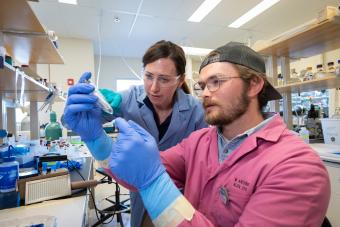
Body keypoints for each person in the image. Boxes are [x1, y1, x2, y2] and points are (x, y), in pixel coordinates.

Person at [64, 42, 330, 226]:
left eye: (217, 82)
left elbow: (149, 177)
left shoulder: (297, 166)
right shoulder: (200, 141)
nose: (204, 93)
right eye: (203, 85)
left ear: (254, 85)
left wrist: (155, 183)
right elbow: (136, 174)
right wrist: (96, 140)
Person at [62, 40, 208, 227]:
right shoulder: (128, 98)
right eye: (148, 76)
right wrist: (77, 110)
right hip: (138, 188)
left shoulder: (197, 110)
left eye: (163, 79)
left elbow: (202, 162)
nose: (153, 87)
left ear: (180, 80)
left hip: (180, 193)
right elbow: (76, 123)